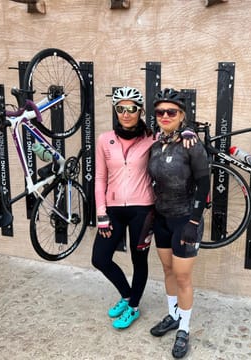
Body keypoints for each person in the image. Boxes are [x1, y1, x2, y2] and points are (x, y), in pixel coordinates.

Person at [148, 88, 210, 358]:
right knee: (168, 270)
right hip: (161, 217)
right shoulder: (155, 144)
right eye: (160, 112)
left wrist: (194, 220)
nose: (164, 116)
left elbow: (204, 183)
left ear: (181, 115)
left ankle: (184, 328)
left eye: (171, 112)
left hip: (186, 219)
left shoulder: (191, 144)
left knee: (183, 276)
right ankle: (173, 315)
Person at [91, 86, 155, 330]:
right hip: (113, 209)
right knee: (100, 258)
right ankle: (127, 296)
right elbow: (99, 178)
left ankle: (134, 307)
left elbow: (175, 135)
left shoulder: (152, 138)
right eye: (121, 108)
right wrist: (101, 213)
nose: (126, 114)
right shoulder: (104, 139)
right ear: (115, 110)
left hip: (143, 209)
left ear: (140, 111)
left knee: (140, 261)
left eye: (131, 108)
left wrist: (189, 132)